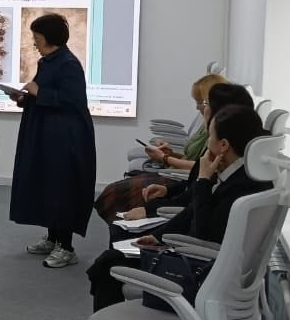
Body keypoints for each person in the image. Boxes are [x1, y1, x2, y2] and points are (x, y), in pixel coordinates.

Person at [67, 105, 271, 320]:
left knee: (109, 266)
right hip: (213, 274)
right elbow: (192, 214)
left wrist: (203, 181)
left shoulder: (237, 187)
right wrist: (157, 235)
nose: (207, 146)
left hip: (201, 279)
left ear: (224, 145)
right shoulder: (249, 178)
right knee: (110, 262)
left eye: (211, 138)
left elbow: (204, 230)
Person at [11, 13, 97, 268]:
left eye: (37, 38)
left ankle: (66, 247)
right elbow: (43, 94)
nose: (34, 42)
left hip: (66, 138)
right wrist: (25, 97)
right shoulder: (48, 61)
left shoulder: (69, 64)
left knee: (62, 188)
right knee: (46, 184)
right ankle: (52, 238)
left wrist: (38, 91)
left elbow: (73, 100)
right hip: (46, 134)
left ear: (50, 38)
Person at [92, 73, 228, 224]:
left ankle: (123, 224)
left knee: (116, 193)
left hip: (181, 177)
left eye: (201, 103)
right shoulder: (206, 128)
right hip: (182, 178)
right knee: (119, 192)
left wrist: (165, 158)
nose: (197, 107)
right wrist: (171, 154)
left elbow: (198, 167)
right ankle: (121, 224)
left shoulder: (216, 133)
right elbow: (195, 162)